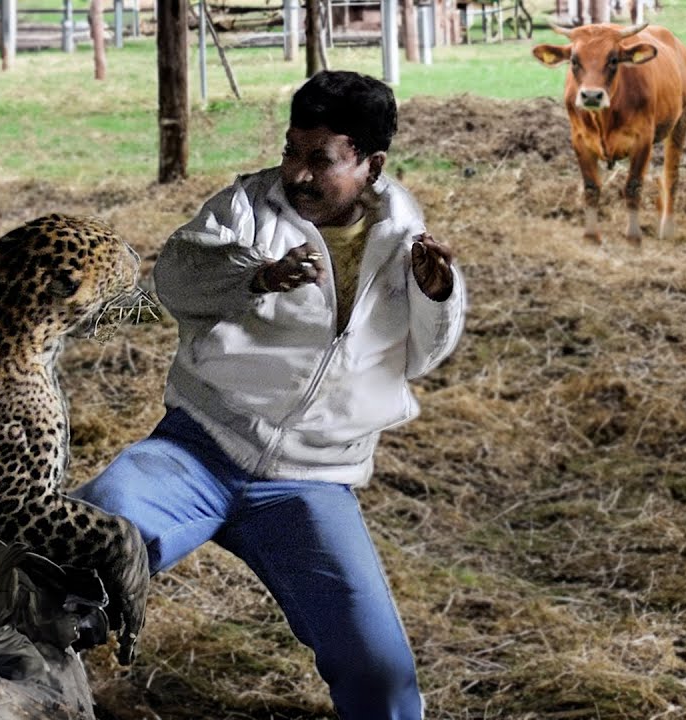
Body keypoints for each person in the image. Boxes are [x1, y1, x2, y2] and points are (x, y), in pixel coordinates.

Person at [70, 70, 466, 718]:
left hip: (310, 483)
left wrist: (437, 297)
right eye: (291, 151)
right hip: (197, 448)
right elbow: (175, 277)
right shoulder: (248, 206)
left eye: (321, 160)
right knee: (70, 550)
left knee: (385, 681)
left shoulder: (405, 242)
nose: (298, 174)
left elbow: (423, 356)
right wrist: (254, 275)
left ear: (371, 165)